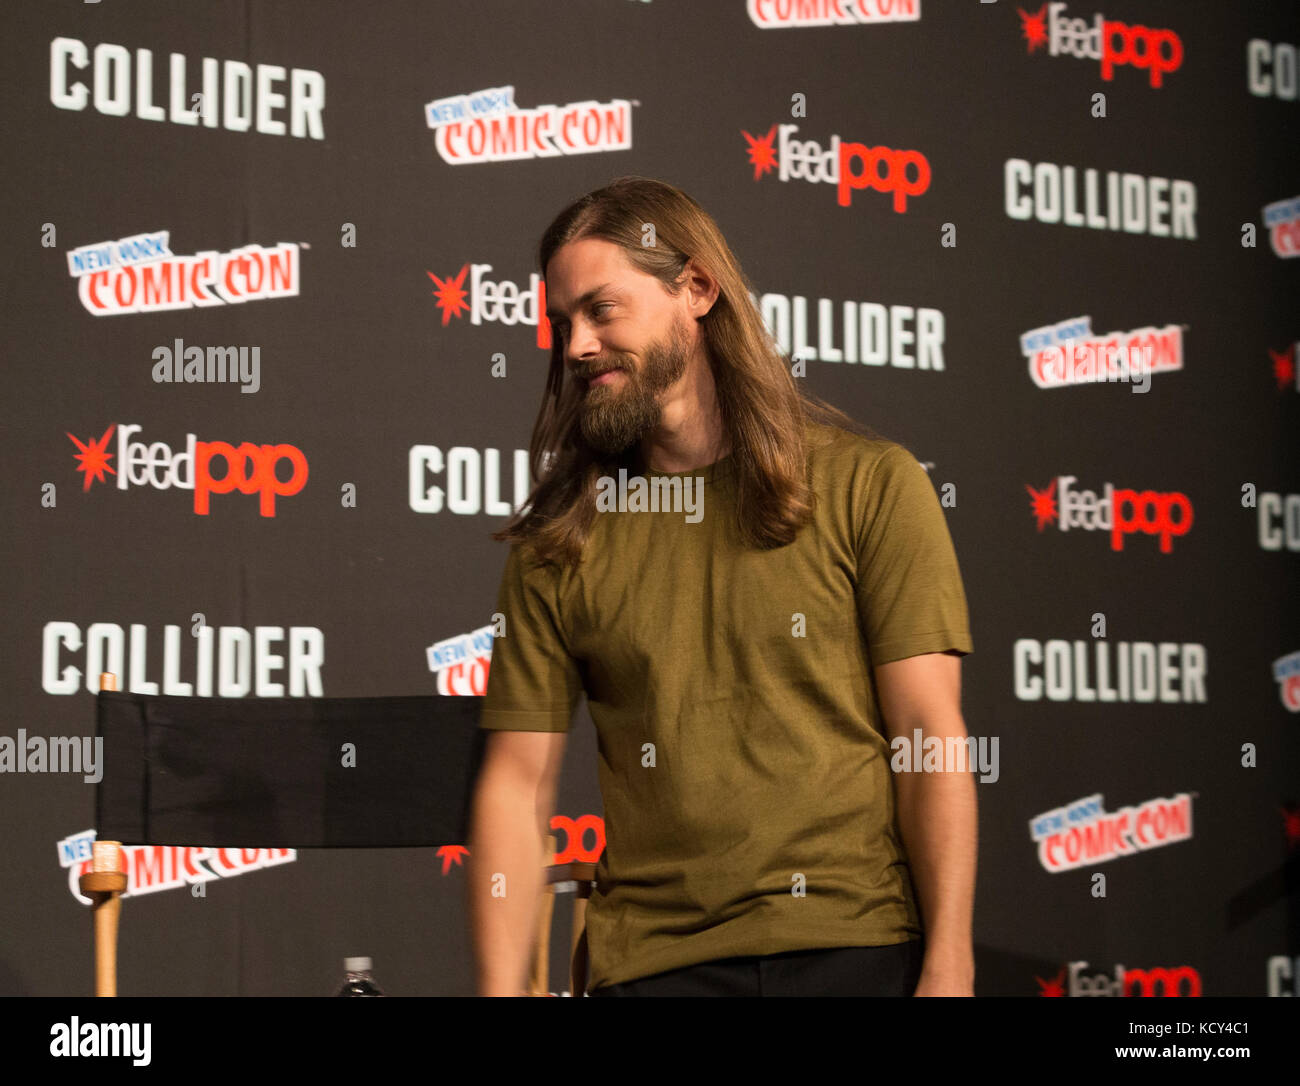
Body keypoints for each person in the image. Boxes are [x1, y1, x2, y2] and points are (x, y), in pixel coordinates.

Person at [466, 176, 975, 997]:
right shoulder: (558, 543)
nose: (577, 348)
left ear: (696, 289)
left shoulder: (872, 486)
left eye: (602, 310)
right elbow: (516, 786)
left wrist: (950, 964)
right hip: (654, 968)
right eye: (562, 324)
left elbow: (929, 733)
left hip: (857, 947)